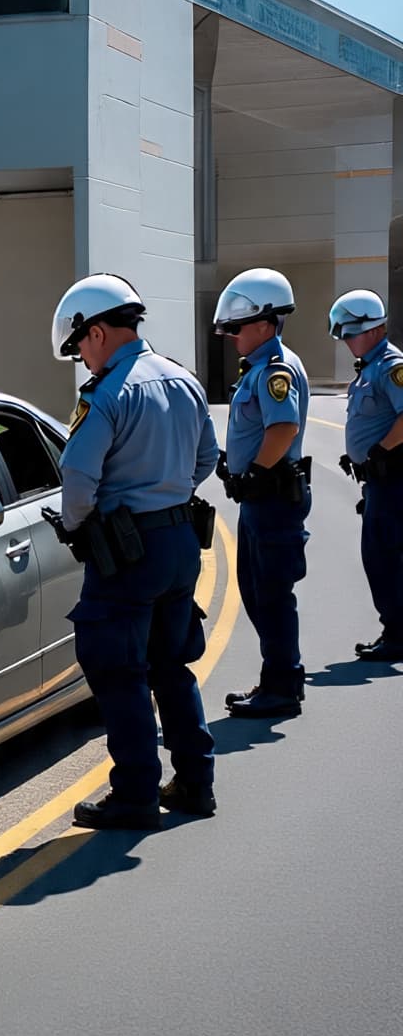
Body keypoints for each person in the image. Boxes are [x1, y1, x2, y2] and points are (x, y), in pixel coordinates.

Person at [47, 275, 219, 830]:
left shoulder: (107, 394)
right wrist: (166, 492)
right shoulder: (183, 379)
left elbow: (78, 480)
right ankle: (195, 783)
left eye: (80, 347)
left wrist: (78, 525)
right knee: (172, 667)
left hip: (127, 551)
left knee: (119, 672)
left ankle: (136, 794)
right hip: (180, 540)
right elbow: (206, 458)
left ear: (97, 332)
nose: (82, 360)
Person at [214, 268, 311, 718]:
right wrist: (235, 465)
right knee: (257, 592)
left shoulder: (275, 370)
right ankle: (277, 678)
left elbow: (284, 426)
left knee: (271, 594)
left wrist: (252, 473)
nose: (233, 336)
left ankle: (282, 686)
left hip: (272, 499)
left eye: (238, 327)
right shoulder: (259, 368)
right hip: (260, 499)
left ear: (266, 323)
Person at [328, 289, 403, 661]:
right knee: (382, 555)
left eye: (350, 333)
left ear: (373, 329)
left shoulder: (391, 366)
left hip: (394, 480)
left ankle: (398, 634)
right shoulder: (369, 368)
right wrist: (358, 455)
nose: (345, 340)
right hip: (379, 480)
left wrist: (380, 451)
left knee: (384, 556)